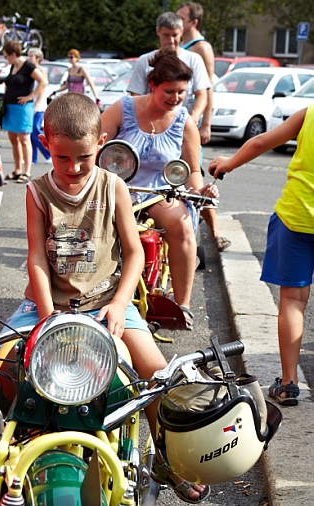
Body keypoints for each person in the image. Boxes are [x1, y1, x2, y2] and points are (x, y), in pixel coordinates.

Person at [2, 92, 209, 502]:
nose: (74, 168)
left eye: (83, 156)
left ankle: (165, 459)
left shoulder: (113, 186)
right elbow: (37, 259)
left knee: (155, 375)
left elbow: (133, 253)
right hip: (48, 305)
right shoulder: (37, 192)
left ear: (100, 144)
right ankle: (9, 451)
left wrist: (119, 304)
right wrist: (46, 318)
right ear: (46, 143)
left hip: (107, 302)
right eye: (63, 158)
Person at [101, 52, 218, 327]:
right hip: (121, 189)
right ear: (152, 85)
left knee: (183, 225)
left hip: (161, 192)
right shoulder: (122, 108)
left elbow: (192, 169)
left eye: (181, 92)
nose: (176, 98)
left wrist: (199, 192)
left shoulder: (184, 122)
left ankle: (183, 305)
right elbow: (97, 147)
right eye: (170, 91)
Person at [209, 107, 314, 407]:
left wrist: (228, 163)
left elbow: (259, 143)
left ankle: (289, 383)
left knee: (293, 300)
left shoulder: (309, 114)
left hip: (295, 217)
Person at [177, 1, 231, 252]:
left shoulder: (201, 47)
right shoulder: (179, 45)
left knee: (194, 176)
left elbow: (207, 89)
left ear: (193, 22)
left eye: (181, 18)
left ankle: (215, 233)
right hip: (173, 122)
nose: (178, 21)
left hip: (191, 123)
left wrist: (205, 123)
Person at [127, 12, 209, 125]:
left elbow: (202, 94)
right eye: (166, 35)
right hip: (151, 124)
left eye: (174, 35)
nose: (171, 40)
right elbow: (135, 96)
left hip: (183, 125)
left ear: (181, 31)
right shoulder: (145, 61)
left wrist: (192, 121)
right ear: (158, 31)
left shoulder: (194, 60)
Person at [0, 40, 47, 184]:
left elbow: (43, 82)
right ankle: (17, 170)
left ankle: (27, 172)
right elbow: (9, 84)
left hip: (23, 108)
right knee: (14, 140)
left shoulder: (28, 66)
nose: (6, 59)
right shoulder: (13, 65)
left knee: (24, 139)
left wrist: (30, 97)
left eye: (6, 56)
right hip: (10, 107)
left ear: (13, 54)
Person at [27, 47, 52, 165]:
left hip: (39, 105)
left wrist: (36, 104)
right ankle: (33, 158)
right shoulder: (30, 71)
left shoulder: (41, 71)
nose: (29, 58)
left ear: (38, 58)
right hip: (31, 104)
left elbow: (42, 89)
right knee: (30, 132)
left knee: (35, 131)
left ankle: (48, 154)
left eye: (31, 56)